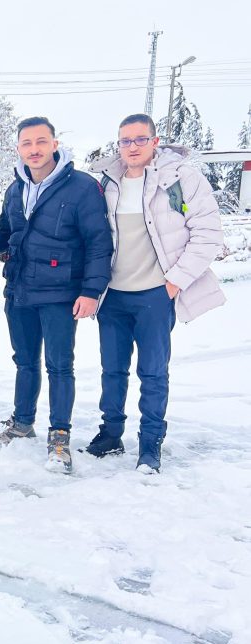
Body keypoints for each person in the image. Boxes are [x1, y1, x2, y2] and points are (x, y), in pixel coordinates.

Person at [88, 113, 225, 473]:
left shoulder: (181, 179)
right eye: (125, 141)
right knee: (112, 371)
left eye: (139, 139)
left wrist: (175, 281)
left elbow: (208, 234)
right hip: (113, 296)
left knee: (153, 372)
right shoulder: (107, 182)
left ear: (155, 141)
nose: (131, 147)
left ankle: (150, 442)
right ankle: (111, 433)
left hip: (155, 295)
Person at [0, 117, 113, 474]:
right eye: (27, 143)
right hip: (20, 289)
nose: (35, 149)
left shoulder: (81, 187)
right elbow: (9, 236)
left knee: (59, 365)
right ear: (19, 149)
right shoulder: (16, 188)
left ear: (55, 144)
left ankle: (59, 435)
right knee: (24, 361)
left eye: (41, 141)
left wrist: (91, 290)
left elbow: (99, 243)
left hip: (61, 293)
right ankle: (22, 422)